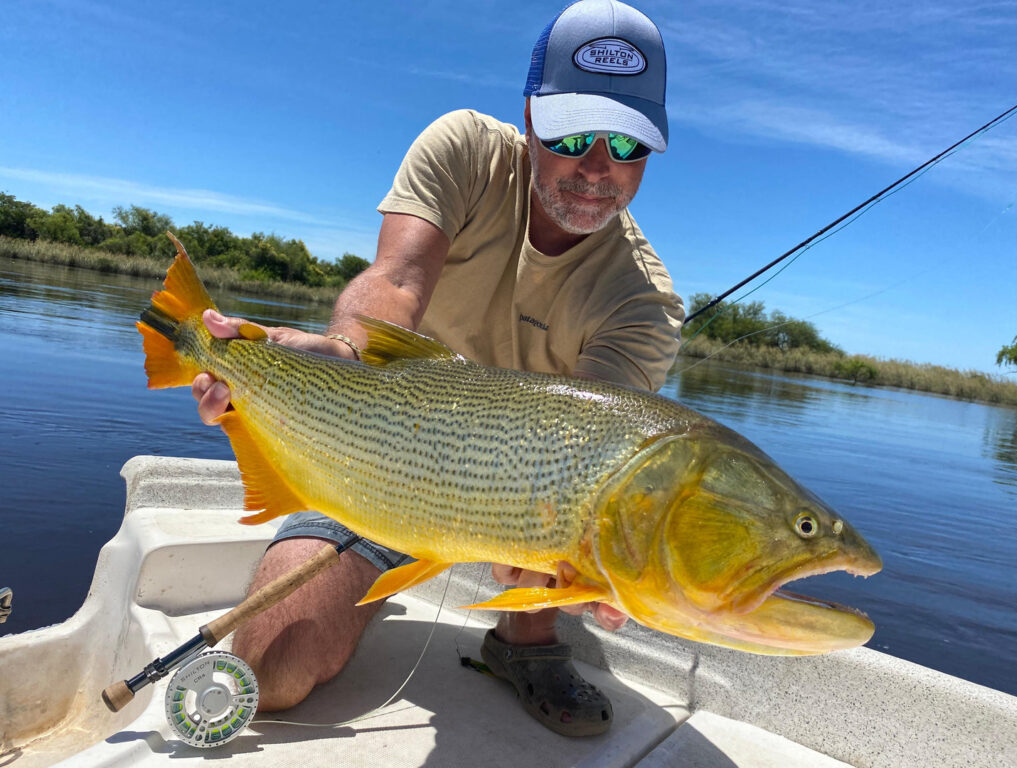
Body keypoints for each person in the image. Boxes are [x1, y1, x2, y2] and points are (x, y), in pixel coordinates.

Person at [192, 0, 683, 738]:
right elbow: (397, 279)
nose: (597, 168)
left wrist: (571, 561)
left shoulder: (646, 303)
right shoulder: (464, 148)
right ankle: (366, 573)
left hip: (523, 508)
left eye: (628, 144)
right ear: (529, 116)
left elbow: (597, 459)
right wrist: (346, 355)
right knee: (271, 672)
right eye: (574, 133)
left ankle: (522, 635)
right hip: (380, 463)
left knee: (568, 538)